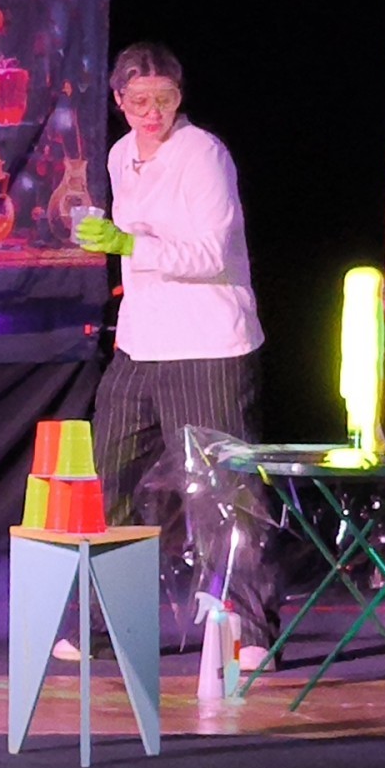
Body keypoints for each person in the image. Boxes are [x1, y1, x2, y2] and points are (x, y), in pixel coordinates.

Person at [52, 42, 277, 669]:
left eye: (165, 99)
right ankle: (104, 623)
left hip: (206, 345)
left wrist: (128, 242)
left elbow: (209, 254)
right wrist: (111, 240)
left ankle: (249, 629)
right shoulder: (121, 155)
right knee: (109, 480)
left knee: (221, 492)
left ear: (179, 97)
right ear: (119, 101)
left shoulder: (203, 154)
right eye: (139, 101)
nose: (152, 113)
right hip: (140, 343)